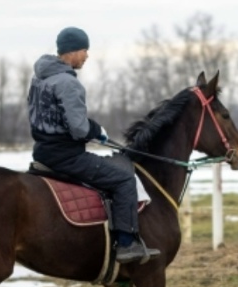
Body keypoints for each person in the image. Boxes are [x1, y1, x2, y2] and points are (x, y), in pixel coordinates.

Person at [28, 27, 160, 264]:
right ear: (72, 51)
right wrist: (96, 130)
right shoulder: (68, 83)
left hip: (42, 152)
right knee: (124, 179)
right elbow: (78, 129)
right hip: (67, 157)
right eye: (84, 50)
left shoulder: (39, 78)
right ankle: (126, 245)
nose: (87, 56)